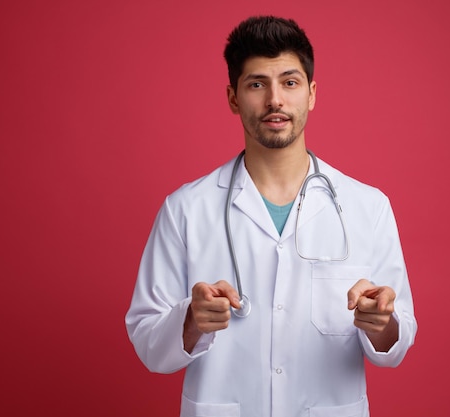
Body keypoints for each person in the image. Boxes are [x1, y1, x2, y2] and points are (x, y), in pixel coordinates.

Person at [126, 15, 417, 417]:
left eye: (290, 82)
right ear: (233, 97)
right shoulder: (186, 210)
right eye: (257, 84)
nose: (275, 100)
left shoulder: (368, 207)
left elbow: (395, 346)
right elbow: (148, 344)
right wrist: (191, 320)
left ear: (312, 94)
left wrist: (381, 322)